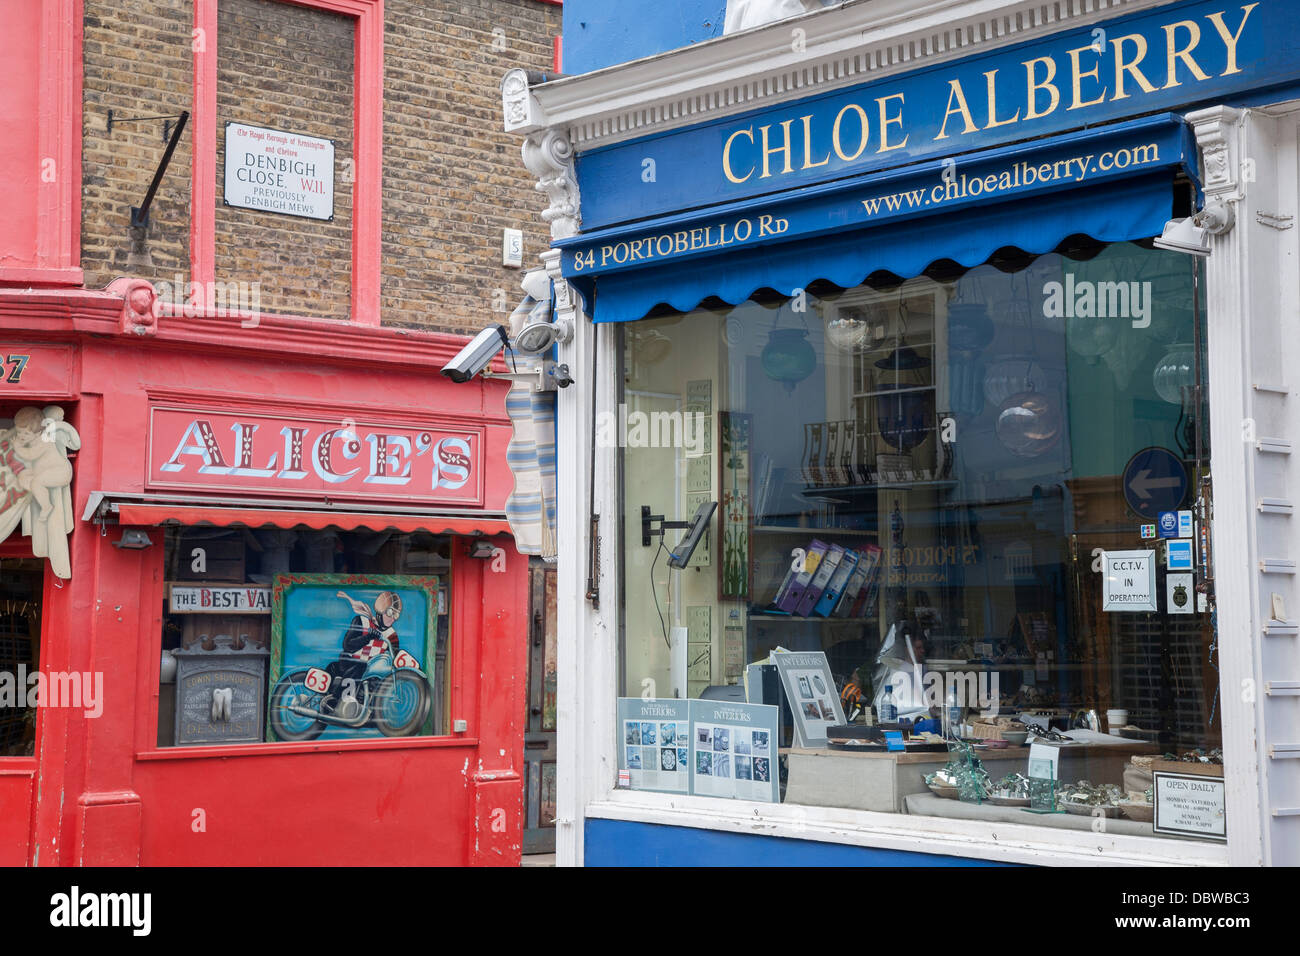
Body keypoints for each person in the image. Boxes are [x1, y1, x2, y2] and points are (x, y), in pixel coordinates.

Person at [323, 590, 403, 703]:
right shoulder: (362, 621)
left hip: (372, 672)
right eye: (390, 613)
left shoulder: (391, 635)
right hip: (350, 663)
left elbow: (395, 655)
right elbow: (348, 645)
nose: (393, 618)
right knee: (359, 666)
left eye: (396, 614)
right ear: (381, 610)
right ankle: (339, 701)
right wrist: (369, 636)